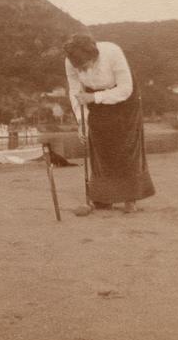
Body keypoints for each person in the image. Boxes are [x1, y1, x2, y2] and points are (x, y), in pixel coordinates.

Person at [63, 33, 155, 213]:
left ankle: (130, 197)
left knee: (125, 144)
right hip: (93, 97)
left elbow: (125, 89)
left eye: (85, 65)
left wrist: (94, 97)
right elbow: (75, 91)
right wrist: (82, 121)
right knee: (99, 141)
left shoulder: (112, 52)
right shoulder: (70, 62)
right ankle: (104, 197)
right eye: (79, 68)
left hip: (124, 97)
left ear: (94, 56)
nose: (83, 71)